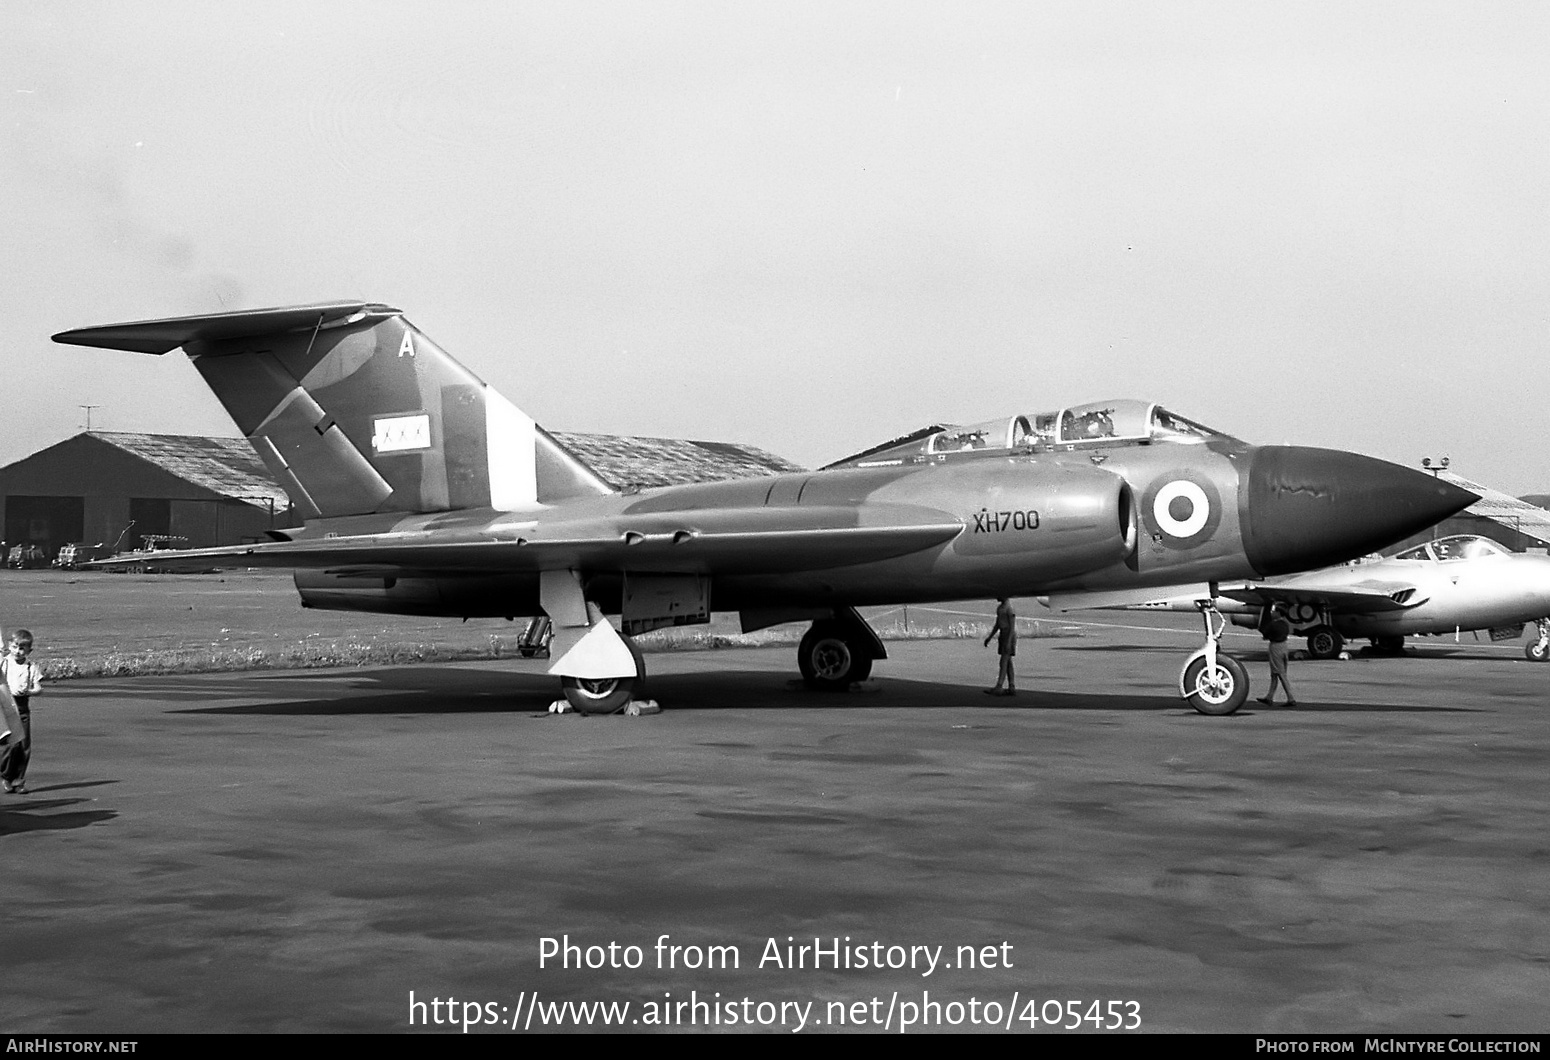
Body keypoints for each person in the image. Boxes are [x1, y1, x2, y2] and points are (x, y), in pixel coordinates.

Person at [0, 629, 44, 794]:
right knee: (10, 744)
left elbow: (39, 688)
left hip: (23, 708)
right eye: (14, 647)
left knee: (24, 746)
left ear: (28, 651)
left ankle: (18, 780)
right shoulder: (4, 663)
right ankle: (5, 774)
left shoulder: (31, 667)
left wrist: (31, 691)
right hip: (6, 706)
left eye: (21, 649)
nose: (17, 651)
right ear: (9, 646)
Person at [1256, 604, 1298, 707]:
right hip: (1284, 646)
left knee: (1280, 674)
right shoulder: (1285, 624)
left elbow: (1265, 633)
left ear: (1278, 613)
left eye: (1274, 611)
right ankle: (1269, 697)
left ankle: (1290, 698)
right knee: (1275, 674)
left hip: (1275, 647)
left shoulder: (1273, 624)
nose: (1272, 612)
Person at [982, 597, 1017, 696]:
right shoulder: (1000, 608)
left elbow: (1012, 627)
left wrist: (1009, 641)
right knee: (1008, 661)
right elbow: (997, 624)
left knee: (1003, 661)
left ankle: (999, 685)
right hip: (1002, 634)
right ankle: (1011, 686)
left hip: (1008, 635)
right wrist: (990, 637)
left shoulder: (1009, 609)